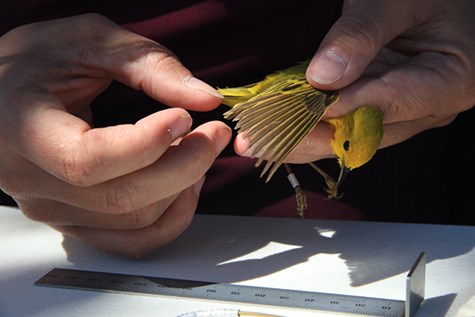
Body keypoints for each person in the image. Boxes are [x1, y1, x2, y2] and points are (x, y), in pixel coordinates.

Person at [0, 1, 473, 257]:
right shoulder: (328, 98)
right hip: (58, 166)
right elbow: (287, 116)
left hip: (394, 211)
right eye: (346, 146)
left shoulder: (368, 101)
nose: (341, 150)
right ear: (349, 127)